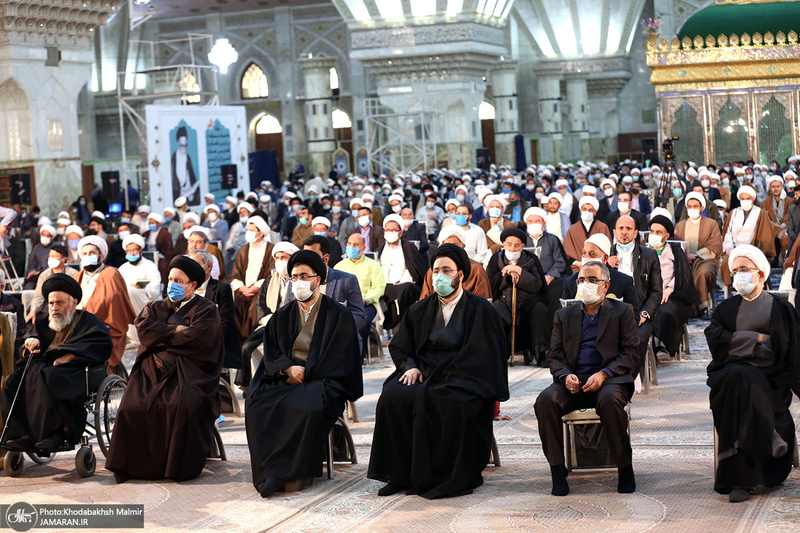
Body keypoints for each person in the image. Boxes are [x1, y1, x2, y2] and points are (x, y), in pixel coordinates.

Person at [368, 244, 509, 499]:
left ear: (460, 275)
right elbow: (401, 346)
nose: (440, 276)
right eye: (436, 270)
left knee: (448, 400)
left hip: (465, 376)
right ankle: (399, 475)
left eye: (447, 270)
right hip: (424, 372)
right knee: (393, 396)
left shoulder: (481, 309)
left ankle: (445, 476)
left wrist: (455, 374)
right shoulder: (419, 309)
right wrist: (410, 367)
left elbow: (489, 354)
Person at [246, 250, 363, 497]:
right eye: (294, 276)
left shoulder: (338, 315)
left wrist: (306, 372)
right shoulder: (283, 314)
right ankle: (269, 471)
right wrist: (287, 368)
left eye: (304, 276)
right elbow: (272, 350)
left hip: (324, 380)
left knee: (304, 408)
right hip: (286, 376)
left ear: (317, 280)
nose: (298, 281)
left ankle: (295, 475)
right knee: (259, 404)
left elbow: (342, 357)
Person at [105, 256, 223, 483]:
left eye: (178, 280)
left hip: (190, 370)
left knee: (181, 405)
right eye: (170, 279)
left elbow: (197, 338)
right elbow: (144, 331)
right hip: (151, 368)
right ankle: (131, 466)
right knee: (131, 406)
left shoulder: (206, 309)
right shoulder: (155, 306)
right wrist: (176, 329)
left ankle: (173, 467)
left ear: (192, 285)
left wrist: (162, 335)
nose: (172, 284)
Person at [535, 261, 640, 496]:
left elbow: (631, 352)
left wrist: (605, 373)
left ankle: (624, 467)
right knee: (545, 400)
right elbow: (555, 355)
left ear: (606, 286)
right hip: (574, 382)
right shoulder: (563, 315)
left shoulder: (622, 311)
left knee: (609, 399)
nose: (585, 285)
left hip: (609, 380)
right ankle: (557, 470)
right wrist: (564, 375)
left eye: (593, 280)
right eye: (581, 280)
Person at [705, 245, 797, 503]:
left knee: (743, 382)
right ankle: (768, 435)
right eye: (734, 271)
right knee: (740, 375)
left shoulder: (780, 308)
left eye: (744, 269)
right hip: (730, 375)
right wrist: (754, 338)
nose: (739, 276)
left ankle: (743, 481)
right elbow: (715, 339)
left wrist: (742, 346)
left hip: (771, 379)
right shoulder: (726, 308)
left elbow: (787, 350)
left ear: (761, 274)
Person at [1, 274, 113, 452]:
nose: (54, 308)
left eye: (60, 303)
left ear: (74, 303)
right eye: (51, 303)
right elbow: (32, 337)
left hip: (76, 371)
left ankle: (54, 433)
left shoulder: (89, 322)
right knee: (13, 380)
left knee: (47, 376)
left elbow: (102, 345)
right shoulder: (43, 321)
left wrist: (71, 356)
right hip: (45, 368)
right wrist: (31, 343)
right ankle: (22, 434)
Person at [72, 236, 136, 375]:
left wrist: (88, 315)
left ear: (101, 255)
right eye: (85, 253)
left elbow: (113, 306)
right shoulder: (76, 277)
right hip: (76, 326)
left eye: (92, 253)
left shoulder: (110, 274)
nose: (88, 256)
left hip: (102, 328)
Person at [607, 215, 662, 370]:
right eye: (621, 229)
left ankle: (630, 375)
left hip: (640, 314)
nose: (624, 232)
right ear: (614, 232)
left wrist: (644, 314)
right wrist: (605, 266)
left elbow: (657, 291)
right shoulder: (605, 255)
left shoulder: (649, 255)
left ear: (636, 233)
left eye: (629, 229)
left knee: (637, 337)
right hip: (610, 313)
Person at [487, 227, 548, 362]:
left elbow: (538, 284)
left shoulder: (531, 259)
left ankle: (541, 354)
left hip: (528, 302)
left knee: (540, 310)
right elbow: (491, 284)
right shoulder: (496, 259)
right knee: (494, 312)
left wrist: (520, 272)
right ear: (503, 244)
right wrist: (506, 275)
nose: (512, 248)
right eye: (509, 244)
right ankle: (498, 354)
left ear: (523, 246)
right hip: (504, 301)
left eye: (516, 245)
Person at [647, 216, 696, 358]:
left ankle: (657, 345)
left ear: (666, 235)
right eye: (652, 231)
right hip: (646, 294)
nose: (654, 235)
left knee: (664, 312)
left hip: (671, 295)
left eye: (658, 232)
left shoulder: (675, 252)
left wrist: (669, 289)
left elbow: (683, 275)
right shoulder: (642, 251)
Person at [189, 249, 241, 372]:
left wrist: (204, 340)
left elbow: (226, 323)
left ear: (208, 266)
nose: (190, 268)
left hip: (214, 344)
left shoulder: (222, 289)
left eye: (195, 264)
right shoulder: (186, 288)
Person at [561, 234, 640, 314]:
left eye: (592, 254)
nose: (586, 257)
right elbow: (562, 316)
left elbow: (633, 317)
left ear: (605, 258)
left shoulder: (624, 282)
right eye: (584, 253)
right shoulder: (570, 282)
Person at [335, 233, 386, 351]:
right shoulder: (339, 266)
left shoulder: (373, 265)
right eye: (349, 243)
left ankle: (359, 355)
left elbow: (379, 287)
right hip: (344, 304)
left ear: (363, 248)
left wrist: (366, 300)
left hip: (365, 304)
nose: (351, 247)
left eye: (356, 244)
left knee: (361, 322)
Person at [675, 192, 723, 315]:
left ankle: (698, 307)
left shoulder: (711, 224)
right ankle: (682, 306)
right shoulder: (680, 225)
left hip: (706, 260)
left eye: (695, 206)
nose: (692, 209)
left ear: (702, 208)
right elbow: (675, 245)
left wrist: (696, 255)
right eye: (689, 206)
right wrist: (685, 257)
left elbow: (715, 246)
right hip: (684, 261)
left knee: (702, 272)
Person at [721, 186, 777, 290]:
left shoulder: (761, 213)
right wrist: (729, 247)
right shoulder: (734, 213)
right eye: (743, 199)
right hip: (733, 249)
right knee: (725, 263)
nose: (745, 201)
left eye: (748, 198)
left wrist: (752, 250)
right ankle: (730, 291)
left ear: (753, 199)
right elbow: (728, 232)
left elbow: (764, 236)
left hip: (752, 249)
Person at [230, 216, 276, 339]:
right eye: (247, 230)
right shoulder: (243, 250)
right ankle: (238, 343)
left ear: (260, 233)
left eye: (251, 230)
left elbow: (271, 273)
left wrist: (256, 287)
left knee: (254, 308)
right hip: (243, 289)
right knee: (234, 306)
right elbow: (235, 272)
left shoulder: (270, 249)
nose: (248, 233)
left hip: (260, 289)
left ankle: (253, 340)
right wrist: (242, 287)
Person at [419, 225, 492, 300]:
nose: (451, 248)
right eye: (447, 245)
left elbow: (482, 302)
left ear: (463, 246)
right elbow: (425, 302)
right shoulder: (433, 271)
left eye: (455, 245)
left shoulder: (476, 269)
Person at [117, 234, 162, 341]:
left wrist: (141, 289)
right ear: (125, 252)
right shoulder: (122, 269)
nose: (132, 253)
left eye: (135, 250)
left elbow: (156, 290)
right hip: (127, 304)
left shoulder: (150, 266)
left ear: (141, 250)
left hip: (147, 301)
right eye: (129, 250)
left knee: (133, 292)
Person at [26, 245, 78, 323]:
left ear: (63, 259)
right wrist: (33, 310)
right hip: (48, 308)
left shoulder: (73, 274)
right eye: (50, 256)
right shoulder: (44, 275)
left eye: (54, 256)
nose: (50, 259)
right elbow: (38, 296)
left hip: (67, 307)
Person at [563, 196, 613, 270]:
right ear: (580, 210)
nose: (587, 212)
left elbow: (608, 250)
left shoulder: (602, 227)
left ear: (595, 212)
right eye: (585, 209)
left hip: (599, 267)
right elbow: (567, 253)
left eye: (590, 210)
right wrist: (577, 263)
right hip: (578, 268)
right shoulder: (572, 229)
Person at [142, 212, 175, 288]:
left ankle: (162, 287)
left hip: (161, 257)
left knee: (163, 266)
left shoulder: (165, 234)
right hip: (146, 256)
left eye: (153, 223)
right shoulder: (145, 234)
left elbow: (169, 249)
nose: (151, 224)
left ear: (158, 223)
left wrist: (161, 256)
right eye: (150, 223)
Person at [171, 126, 199, 205]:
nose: (184, 148)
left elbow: (191, 176)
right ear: (178, 143)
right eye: (182, 145)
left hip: (188, 189)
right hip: (178, 192)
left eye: (185, 145)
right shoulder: (174, 158)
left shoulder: (188, 157)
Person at [24, 223, 56, 289]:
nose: (44, 237)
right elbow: (32, 263)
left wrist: (41, 272)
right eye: (43, 235)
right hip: (36, 275)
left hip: (49, 275)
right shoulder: (37, 247)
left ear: (52, 237)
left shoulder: (55, 248)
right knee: (28, 286)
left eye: (47, 236)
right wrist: (32, 271)